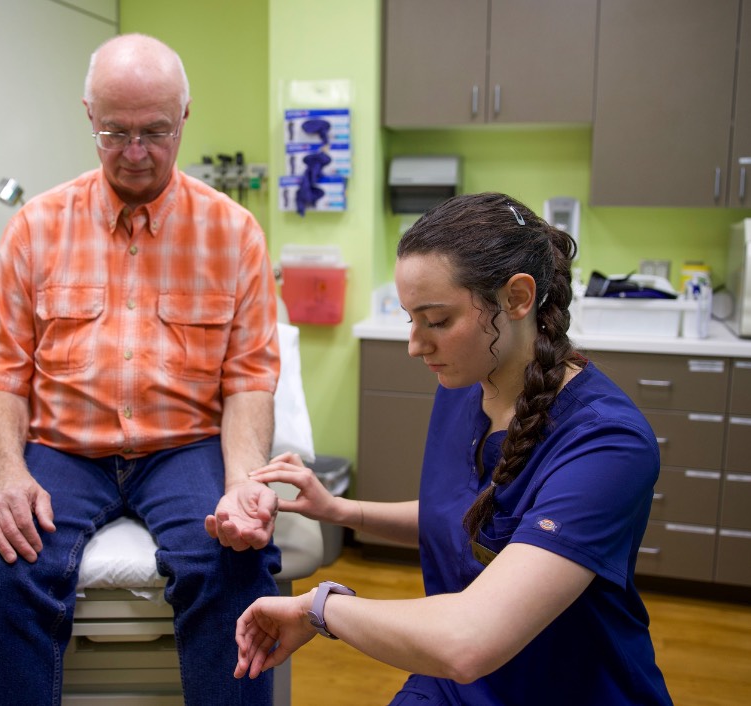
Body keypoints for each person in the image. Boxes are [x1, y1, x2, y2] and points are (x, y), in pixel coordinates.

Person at [235, 192, 674, 705]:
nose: (415, 344)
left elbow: (468, 640)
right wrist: (341, 510)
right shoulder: (467, 384)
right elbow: (472, 515)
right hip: (453, 683)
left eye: (437, 320)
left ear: (517, 298)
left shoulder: (606, 443)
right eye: (410, 319)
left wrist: (320, 607)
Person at [0, 33, 282, 706]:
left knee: (232, 560)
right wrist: (8, 475)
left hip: (182, 447)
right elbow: (2, 371)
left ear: (185, 116)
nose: (135, 153)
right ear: (88, 116)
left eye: (155, 132)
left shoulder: (234, 233)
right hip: (63, 449)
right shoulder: (36, 227)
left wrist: (243, 482)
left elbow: (248, 378)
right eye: (115, 132)